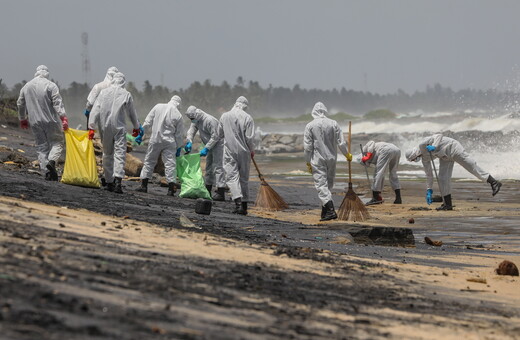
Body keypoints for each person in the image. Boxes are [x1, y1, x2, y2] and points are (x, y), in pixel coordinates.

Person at [405, 133, 502, 210]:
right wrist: (429, 190)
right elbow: (429, 175)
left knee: (471, 166)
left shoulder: (422, 145)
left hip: (452, 148)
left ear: (414, 155)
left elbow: (438, 135)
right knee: (442, 178)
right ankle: (447, 204)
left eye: (413, 159)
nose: (414, 161)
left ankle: (493, 182)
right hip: (444, 157)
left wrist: (434, 146)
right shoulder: (424, 159)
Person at [88, 72, 140, 194]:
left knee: (107, 154)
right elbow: (132, 113)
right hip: (119, 127)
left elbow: (95, 109)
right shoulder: (126, 94)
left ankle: (109, 181)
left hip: (105, 127)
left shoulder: (103, 93)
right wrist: (136, 126)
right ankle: (118, 182)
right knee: (120, 154)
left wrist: (91, 127)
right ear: (123, 82)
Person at [17, 65, 69, 181]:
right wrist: (63, 117)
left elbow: (20, 103)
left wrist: (22, 118)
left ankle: (47, 172)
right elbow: (57, 103)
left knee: (41, 146)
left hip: (34, 121)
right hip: (50, 120)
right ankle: (51, 161)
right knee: (57, 142)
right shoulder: (51, 85)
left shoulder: (27, 86)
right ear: (47, 73)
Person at [303, 102, 351, 221]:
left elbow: (308, 147)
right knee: (328, 184)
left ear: (314, 112)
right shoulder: (334, 123)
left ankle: (330, 210)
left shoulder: (310, 125)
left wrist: (308, 161)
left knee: (321, 185)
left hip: (318, 158)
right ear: (325, 111)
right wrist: (347, 154)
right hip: (331, 158)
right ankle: (324, 211)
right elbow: (341, 143)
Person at [136, 95, 184, 196]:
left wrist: (141, 133)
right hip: (169, 141)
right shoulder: (178, 115)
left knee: (149, 161)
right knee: (170, 165)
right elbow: (179, 135)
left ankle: (143, 186)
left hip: (155, 139)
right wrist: (179, 147)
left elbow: (147, 122)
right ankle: (171, 190)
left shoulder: (158, 106)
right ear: (178, 104)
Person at [218, 96, 255, 215]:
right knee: (243, 179)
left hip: (229, 151)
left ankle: (238, 203)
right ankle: (244, 207)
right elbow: (249, 138)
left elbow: (219, 133)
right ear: (245, 106)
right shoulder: (248, 118)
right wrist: (252, 150)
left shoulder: (224, 116)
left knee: (231, 177)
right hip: (244, 152)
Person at [184, 105, 226, 200]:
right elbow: (191, 131)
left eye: (192, 118)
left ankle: (221, 192)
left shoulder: (209, 120)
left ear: (196, 115)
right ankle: (207, 190)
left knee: (218, 167)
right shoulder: (196, 119)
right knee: (209, 167)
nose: (192, 120)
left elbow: (215, 136)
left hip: (219, 144)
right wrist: (189, 141)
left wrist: (206, 148)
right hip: (210, 144)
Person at [361, 141, 402, 205]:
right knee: (393, 173)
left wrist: (368, 156)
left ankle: (375, 197)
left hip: (385, 149)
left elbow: (371, 142)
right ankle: (398, 198)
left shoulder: (365, 150)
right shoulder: (374, 154)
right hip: (396, 150)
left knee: (378, 172)